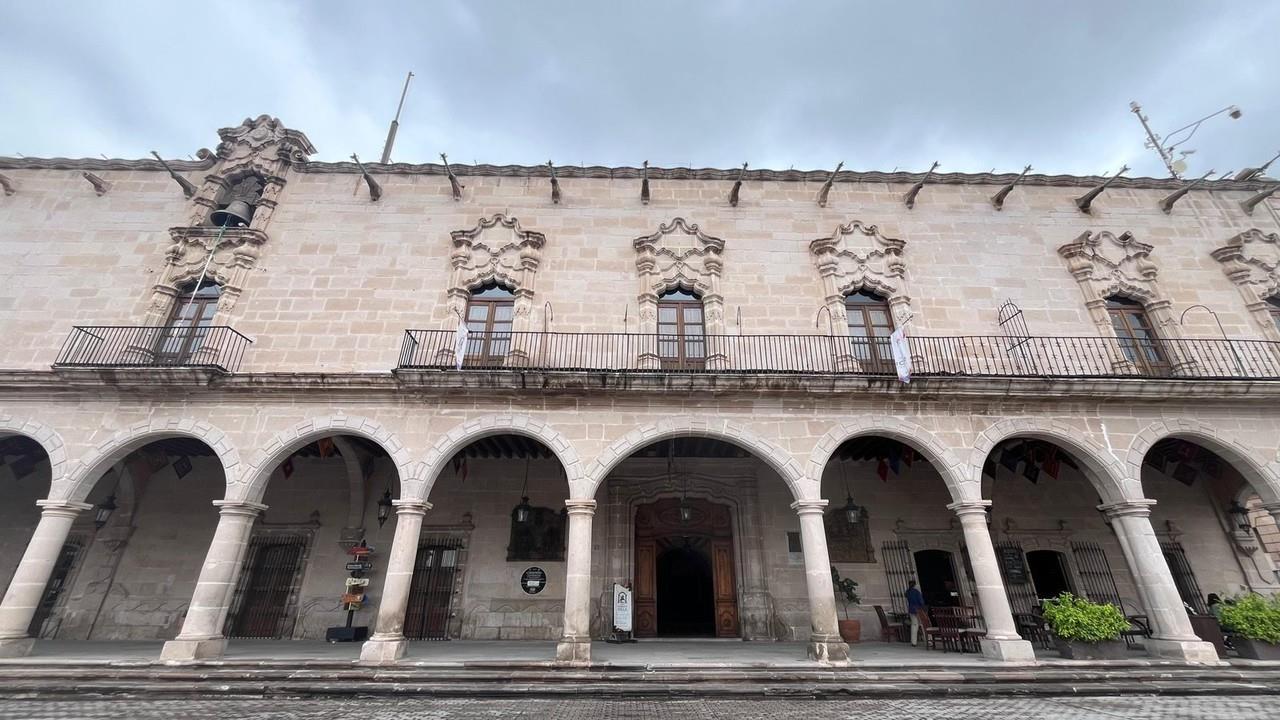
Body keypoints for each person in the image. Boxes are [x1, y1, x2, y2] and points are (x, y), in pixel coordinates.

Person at [906, 580, 927, 647]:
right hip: (918, 610)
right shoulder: (917, 592)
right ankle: (928, 640)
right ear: (915, 585)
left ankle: (913, 642)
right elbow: (921, 602)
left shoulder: (908, 592)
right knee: (924, 625)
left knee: (914, 625)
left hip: (911, 610)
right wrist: (924, 609)